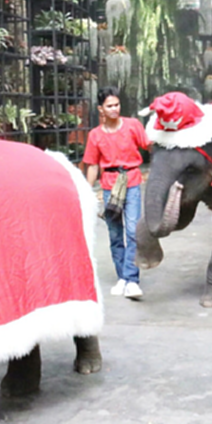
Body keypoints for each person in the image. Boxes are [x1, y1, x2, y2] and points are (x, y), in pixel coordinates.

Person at [83, 87, 151, 299]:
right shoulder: (95, 135)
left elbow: (149, 145)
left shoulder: (133, 126)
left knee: (132, 230)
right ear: (101, 109)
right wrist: (86, 191)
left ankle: (132, 279)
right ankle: (122, 276)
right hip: (109, 184)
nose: (114, 109)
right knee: (114, 234)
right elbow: (93, 165)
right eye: (109, 106)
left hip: (131, 180)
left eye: (117, 105)